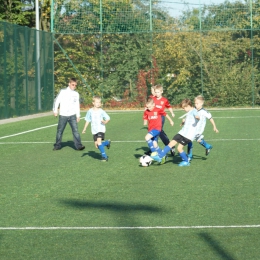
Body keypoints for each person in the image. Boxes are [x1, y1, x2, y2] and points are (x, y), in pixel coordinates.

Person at [151, 98, 199, 167]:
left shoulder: (194, 111)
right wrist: (184, 122)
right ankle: (160, 156)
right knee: (171, 143)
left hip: (188, 135)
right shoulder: (189, 112)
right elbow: (190, 120)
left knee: (179, 148)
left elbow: (197, 116)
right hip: (182, 132)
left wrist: (197, 117)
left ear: (188, 106)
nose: (183, 109)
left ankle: (186, 161)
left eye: (184, 108)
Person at [53, 77, 85, 151]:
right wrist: (55, 111)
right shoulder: (63, 92)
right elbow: (57, 101)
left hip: (72, 115)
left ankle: (79, 146)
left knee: (75, 131)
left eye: (75, 85)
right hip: (63, 115)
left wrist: (78, 115)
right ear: (69, 84)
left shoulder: (76, 94)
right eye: (73, 85)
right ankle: (57, 145)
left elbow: (77, 105)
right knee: (60, 131)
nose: (74, 86)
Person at [145, 85, 176, 156]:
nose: (156, 94)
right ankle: (154, 148)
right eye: (155, 92)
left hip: (160, 117)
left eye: (158, 92)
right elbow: (148, 105)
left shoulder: (164, 100)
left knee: (158, 131)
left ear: (161, 92)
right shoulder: (152, 99)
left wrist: (172, 113)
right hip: (153, 117)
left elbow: (169, 106)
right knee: (153, 131)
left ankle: (168, 146)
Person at [187, 95, 219, 159]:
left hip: (198, 130)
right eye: (195, 103)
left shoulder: (204, 112)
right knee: (197, 140)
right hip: (193, 128)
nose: (196, 105)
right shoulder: (194, 110)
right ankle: (208, 146)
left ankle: (189, 156)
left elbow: (210, 118)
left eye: (197, 103)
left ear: (202, 103)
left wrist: (214, 127)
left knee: (189, 139)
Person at [143, 98, 174, 164]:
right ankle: (163, 156)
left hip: (157, 129)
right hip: (151, 129)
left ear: (154, 105)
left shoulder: (158, 110)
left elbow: (166, 114)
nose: (149, 108)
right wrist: (145, 122)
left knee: (147, 137)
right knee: (155, 144)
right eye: (147, 107)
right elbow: (145, 117)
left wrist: (171, 121)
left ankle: (154, 154)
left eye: (150, 107)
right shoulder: (146, 111)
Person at [82, 96, 111, 161]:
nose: (98, 103)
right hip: (94, 130)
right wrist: (84, 129)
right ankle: (107, 143)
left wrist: (105, 121)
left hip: (100, 129)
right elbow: (87, 120)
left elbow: (108, 118)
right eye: (97, 102)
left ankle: (104, 156)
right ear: (93, 103)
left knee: (99, 142)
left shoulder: (101, 111)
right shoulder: (90, 111)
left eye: (99, 102)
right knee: (97, 145)